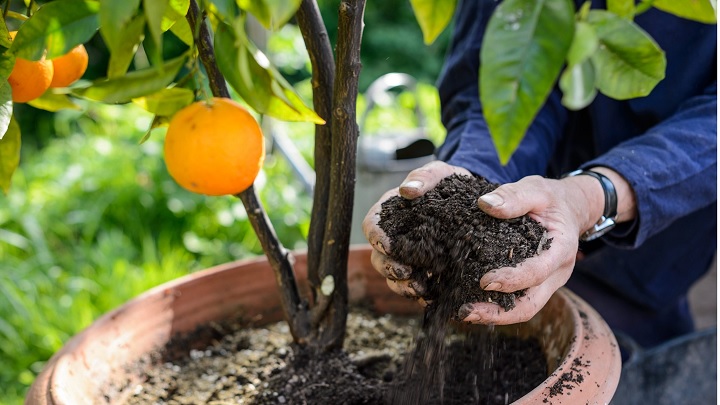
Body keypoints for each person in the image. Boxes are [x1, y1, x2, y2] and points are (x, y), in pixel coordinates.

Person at [363, 0, 717, 350]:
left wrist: (591, 196)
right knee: (491, 324)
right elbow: (497, 78)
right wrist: (475, 178)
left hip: (653, 248)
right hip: (526, 219)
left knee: (644, 362)